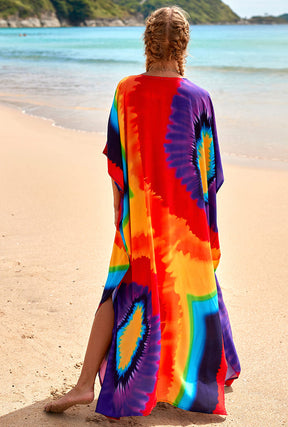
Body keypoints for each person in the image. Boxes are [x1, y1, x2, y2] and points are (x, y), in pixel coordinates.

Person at [44, 6, 241, 418]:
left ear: (147, 42)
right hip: (186, 223)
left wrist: (121, 210)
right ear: (184, 44)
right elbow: (209, 175)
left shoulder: (126, 90)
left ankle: (84, 385)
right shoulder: (199, 97)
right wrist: (205, 227)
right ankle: (192, 382)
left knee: (119, 292)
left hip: (141, 217)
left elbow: (117, 164)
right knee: (190, 292)